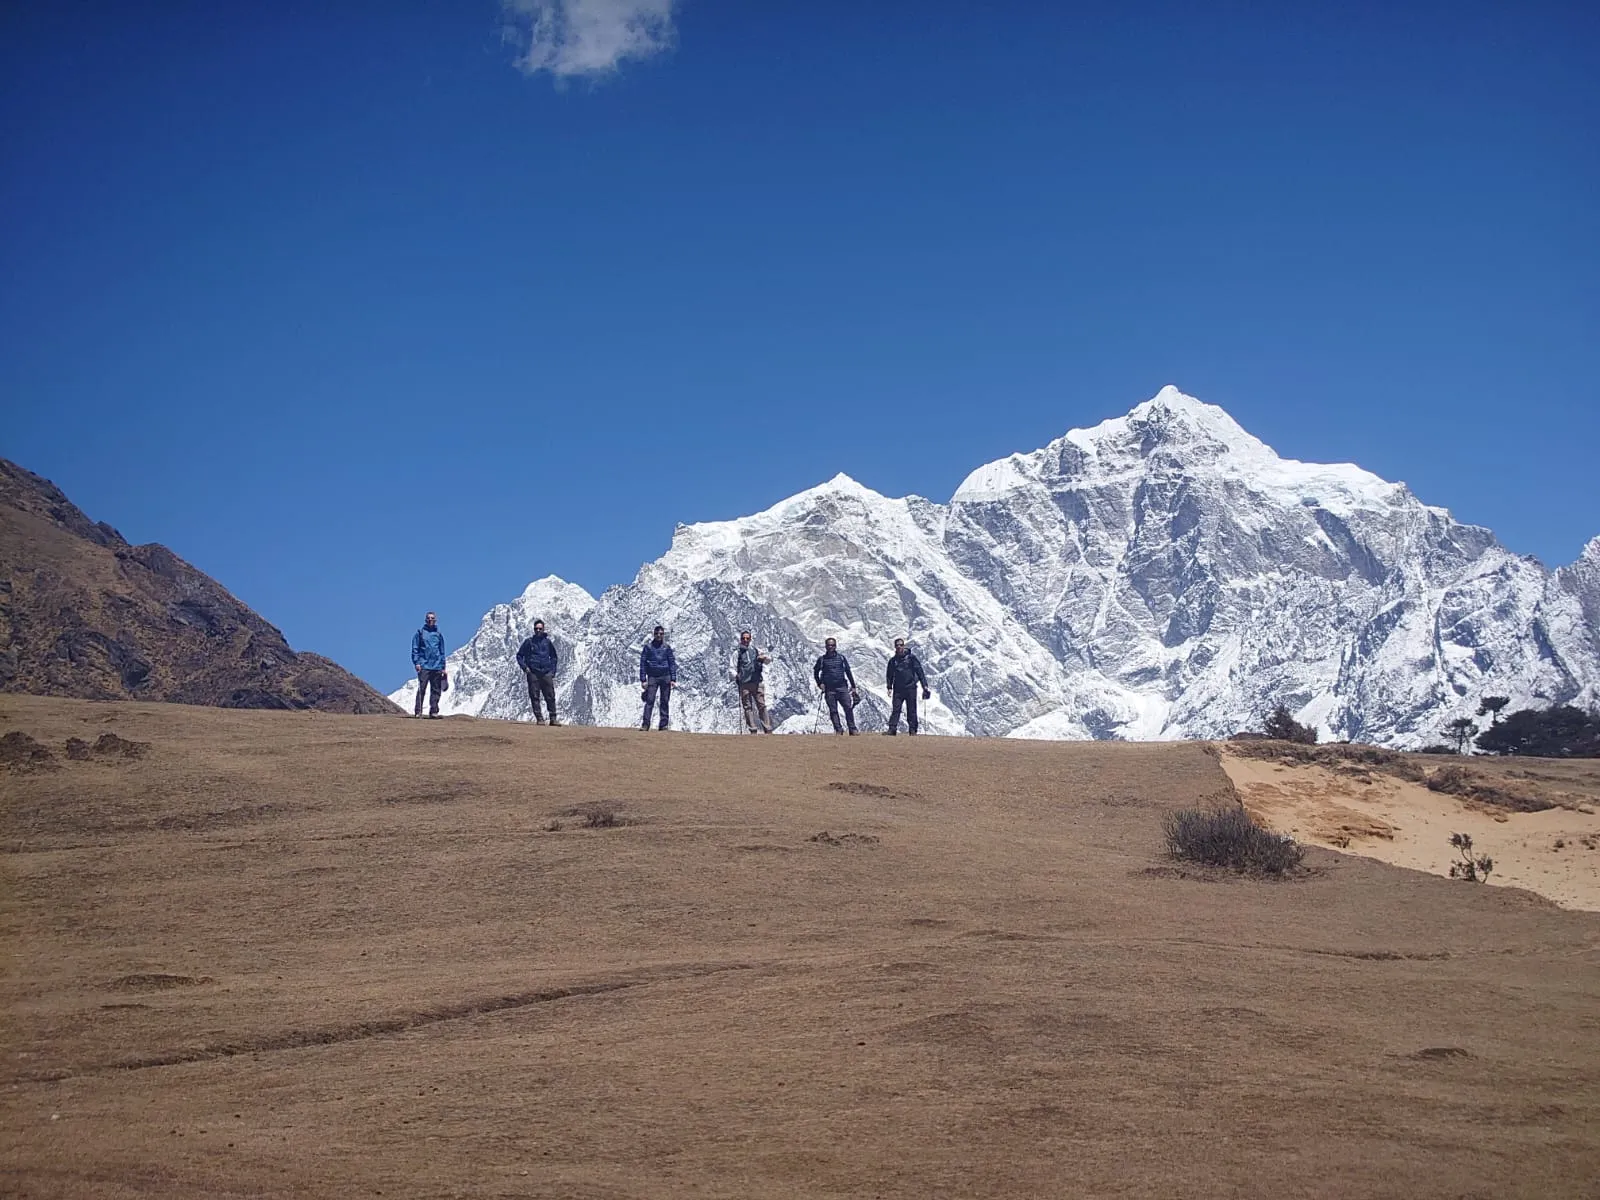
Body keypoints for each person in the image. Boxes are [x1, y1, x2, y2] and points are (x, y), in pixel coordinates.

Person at [515, 619, 560, 726]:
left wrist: (553, 671)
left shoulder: (548, 642)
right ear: (534, 630)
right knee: (534, 696)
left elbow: (554, 657)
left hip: (546, 672)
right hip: (533, 673)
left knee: (550, 696)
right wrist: (525, 668)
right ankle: (539, 718)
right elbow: (519, 655)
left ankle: (553, 719)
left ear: (543, 629)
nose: (538, 630)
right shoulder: (528, 642)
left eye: (540, 628)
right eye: (536, 629)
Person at [883, 637, 931, 735]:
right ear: (895, 647)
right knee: (896, 709)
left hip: (911, 688)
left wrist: (924, 685)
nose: (899, 647)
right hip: (898, 689)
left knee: (912, 710)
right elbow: (889, 675)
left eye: (901, 645)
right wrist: (889, 687)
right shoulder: (893, 661)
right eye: (897, 645)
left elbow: (919, 671)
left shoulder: (911, 658)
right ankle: (892, 729)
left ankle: (913, 730)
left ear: (904, 646)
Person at [813, 637, 859, 735]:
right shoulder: (822, 660)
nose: (831, 647)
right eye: (829, 645)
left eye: (832, 645)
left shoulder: (841, 658)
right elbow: (816, 672)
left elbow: (848, 672)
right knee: (833, 710)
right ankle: (838, 729)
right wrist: (819, 683)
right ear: (826, 646)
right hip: (829, 689)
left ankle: (852, 728)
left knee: (848, 708)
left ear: (835, 646)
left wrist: (853, 686)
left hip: (842, 687)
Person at [732, 630, 773, 733]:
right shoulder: (737, 653)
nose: (745, 640)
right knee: (748, 707)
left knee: (761, 705)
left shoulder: (756, 650)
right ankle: (753, 729)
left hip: (757, 682)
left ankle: (767, 728)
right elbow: (731, 667)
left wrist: (763, 658)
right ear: (740, 640)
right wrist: (736, 676)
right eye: (743, 638)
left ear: (750, 639)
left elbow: (768, 660)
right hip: (744, 683)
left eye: (747, 638)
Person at [639, 625, 678, 731]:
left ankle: (664, 725)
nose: (659, 635)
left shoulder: (667, 648)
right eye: (657, 633)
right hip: (652, 677)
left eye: (661, 633)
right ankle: (645, 724)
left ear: (663, 635)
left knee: (664, 701)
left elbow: (672, 663)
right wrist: (643, 680)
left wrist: (673, 679)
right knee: (650, 700)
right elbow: (642, 663)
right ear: (654, 634)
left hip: (666, 677)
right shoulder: (648, 647)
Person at [411, 611, 447, 719]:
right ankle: (418, 712)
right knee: (422, 689)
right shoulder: (420, 633)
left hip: (436, 666)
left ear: (435, 620)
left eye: (432, 618)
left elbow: (441, 651)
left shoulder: (438, 635)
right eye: (428, 618)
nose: (430, 620)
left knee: (436, 689)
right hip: (424, 665)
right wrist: (417, 662)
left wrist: (443, 667)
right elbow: (415, 649)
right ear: (426, 620)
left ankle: (434, 711)